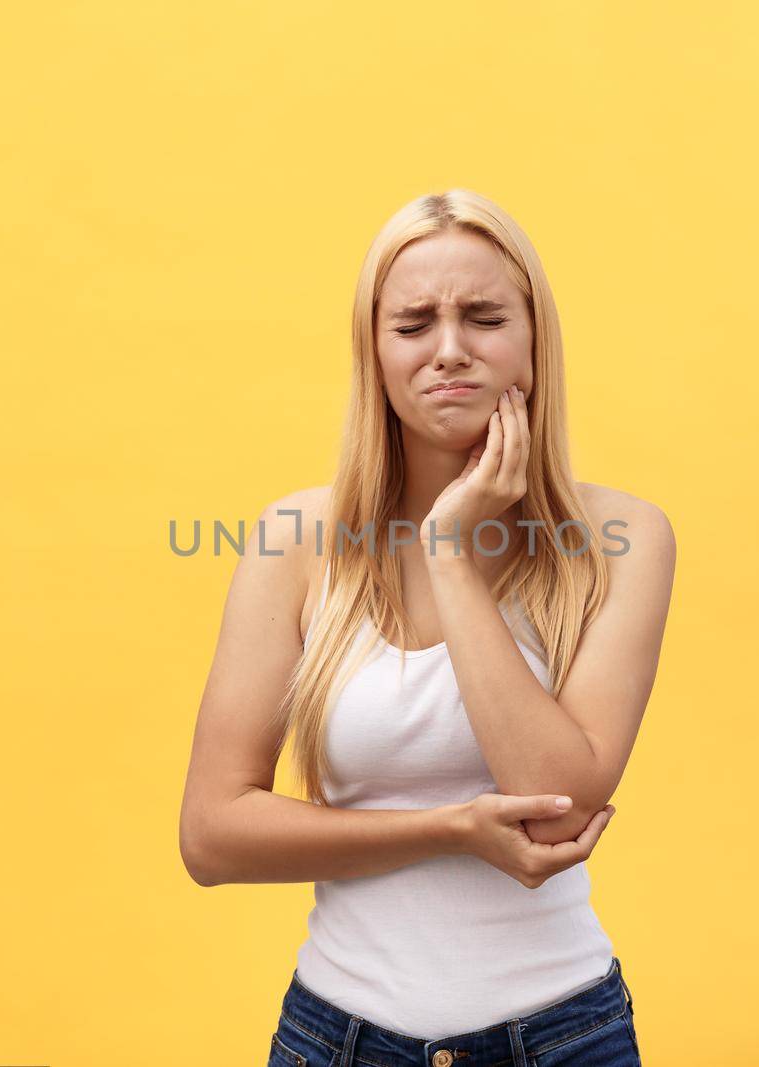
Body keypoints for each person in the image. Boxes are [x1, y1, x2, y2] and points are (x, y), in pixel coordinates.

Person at [178, 189, 676, 1067]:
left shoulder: (619, 540)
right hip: (339, 1040)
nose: (450, 350)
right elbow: (212, 835)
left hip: (563, 1039)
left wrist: (448, 547)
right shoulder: (295, 541)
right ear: (374, 351)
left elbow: (560, 808)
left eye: (484, 317)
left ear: (534, 339)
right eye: (413, 324)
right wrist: (448, 828)